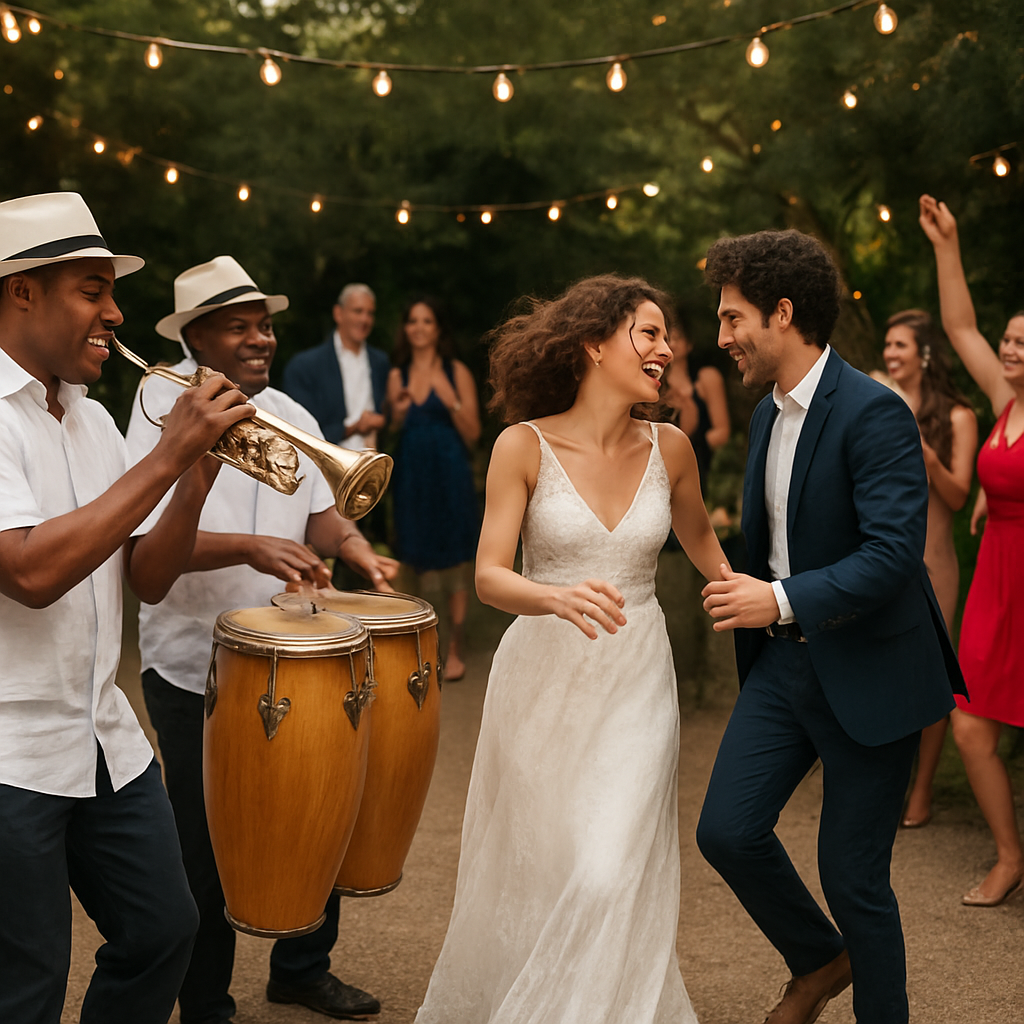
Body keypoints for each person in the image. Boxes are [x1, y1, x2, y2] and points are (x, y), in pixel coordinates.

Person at [416, 275, 729, 1024]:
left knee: (606, 869)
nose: (666, 349)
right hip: (542, 681)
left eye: (666, 336)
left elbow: (710, 554)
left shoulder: (673, 450)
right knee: (547, 868)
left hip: (635, 676)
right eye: (648, 334)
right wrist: (552, 595)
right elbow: (491, 575)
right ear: (595, 343)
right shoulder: (521, 446)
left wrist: (783, 602)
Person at [695, 229, 965, 1024]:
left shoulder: (874, 412)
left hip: (873, 670)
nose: (722, 336)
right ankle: (820, 960)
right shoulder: (762, 420)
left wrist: (776, 599)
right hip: (782, 670)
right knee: (727, 832)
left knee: (853, 877)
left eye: (733, 317)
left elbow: (892, 557)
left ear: (783, 312)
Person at [0, 192, 256, 1023]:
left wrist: (193, 481)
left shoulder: (95, 419)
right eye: (91, 289)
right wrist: (167, 456)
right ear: (22, 292)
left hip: (103, 730)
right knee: (26, 985)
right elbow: (32, 573)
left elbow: (145, 576)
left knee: (163, 932)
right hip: (10, 746)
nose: (115, 313)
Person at [125, 256, 399, 1024]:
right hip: (193, 662)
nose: (261, 339)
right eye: (240, 326)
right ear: (197, 335)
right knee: (205, 837)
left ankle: (302, 968)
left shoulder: (289, 411)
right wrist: (249, 546)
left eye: (265, 324)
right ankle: (204, 997)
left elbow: (317, 511)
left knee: (318, 810)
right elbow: (143, 537)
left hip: (293, 653)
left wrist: (354, 547)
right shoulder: (158, 400)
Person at [919, 193, 1024, 906]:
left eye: (1023, 343)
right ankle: (1009, 856)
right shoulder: (1004, 400)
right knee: (969, 725)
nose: (1011, 350)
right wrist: (946, 245)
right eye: (1011, 340)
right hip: (997, 579)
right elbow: (959, 325)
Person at [871, 311, 977, 829]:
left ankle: (923, 788)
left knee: (932, 677)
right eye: (887, 345)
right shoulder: (873, 401)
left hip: (936, 562)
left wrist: (926, 454)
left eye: (900, 346)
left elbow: (958, 496)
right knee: (880, 668)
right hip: (880, 559)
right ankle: (879, 782)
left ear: (924, 353)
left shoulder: (957, 415)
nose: (890, 354)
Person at [386, 297, 480, 681]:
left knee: (454, 557)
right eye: (413, 321)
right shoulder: (397, 376)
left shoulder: (456, 371)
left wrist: (451, 401)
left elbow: (474, 434)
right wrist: (401, 412)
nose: (420, 327)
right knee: (415, 554)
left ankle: (455, 645)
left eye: (427, 320)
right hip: (412, 476)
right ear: (406, 329)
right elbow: (392, 430)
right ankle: (424, 645)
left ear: (438, 328)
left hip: (450, 473)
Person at [283, 282, 389, 450]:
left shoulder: (380, 362)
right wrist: (354, 427)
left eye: (370, 313)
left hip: (372, 463)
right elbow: (301, 430)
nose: (365, 319)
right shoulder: (305, 366)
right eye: (358, 311)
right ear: (338, 313)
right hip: (325, 464)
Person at [662, 308, 731, 491]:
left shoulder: (706, 379)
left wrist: (695, 444)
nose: (672, 344)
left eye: (678, 338)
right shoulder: (652, 386)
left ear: (689, 344)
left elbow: (722, 432)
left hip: (702, 466)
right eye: (667, 339)